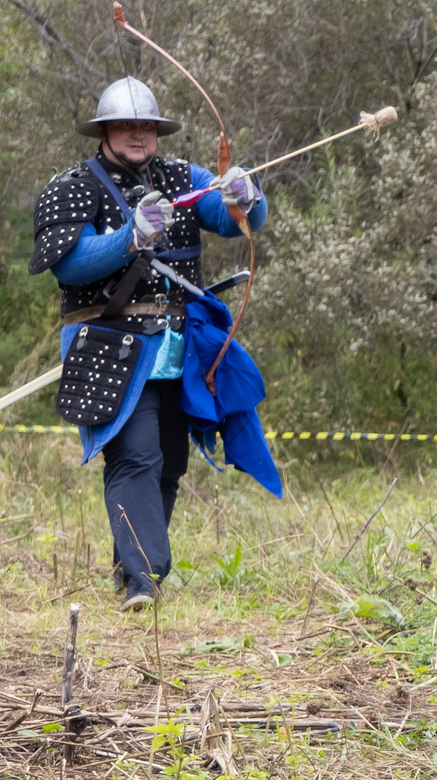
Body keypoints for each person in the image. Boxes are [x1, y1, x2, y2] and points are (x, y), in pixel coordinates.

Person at [30, 77, 279, 611]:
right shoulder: (73, 185)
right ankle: (144, 580)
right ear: (104, 131)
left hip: (176, 348)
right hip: (110, 346)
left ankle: (132, 569)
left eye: (146, 126)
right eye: (126, 126)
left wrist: (247, 197)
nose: (138, 134)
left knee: (168, 463)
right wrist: (130, 237)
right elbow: (69, 263)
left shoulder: (183, 176)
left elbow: (233, 218)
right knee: (136, 455)